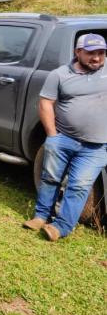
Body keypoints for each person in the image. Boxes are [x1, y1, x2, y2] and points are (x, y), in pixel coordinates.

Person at [22, 33, 107, 241]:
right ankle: (41, 216)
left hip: (96, 146)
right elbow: (45, 103)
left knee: (79, 185)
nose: (97, 58)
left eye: (101, 53)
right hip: (63, 138)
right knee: (50, 178)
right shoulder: (59, 75)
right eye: (91, 53)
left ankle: (61, 227)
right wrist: (52, 135)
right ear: (78, 52)